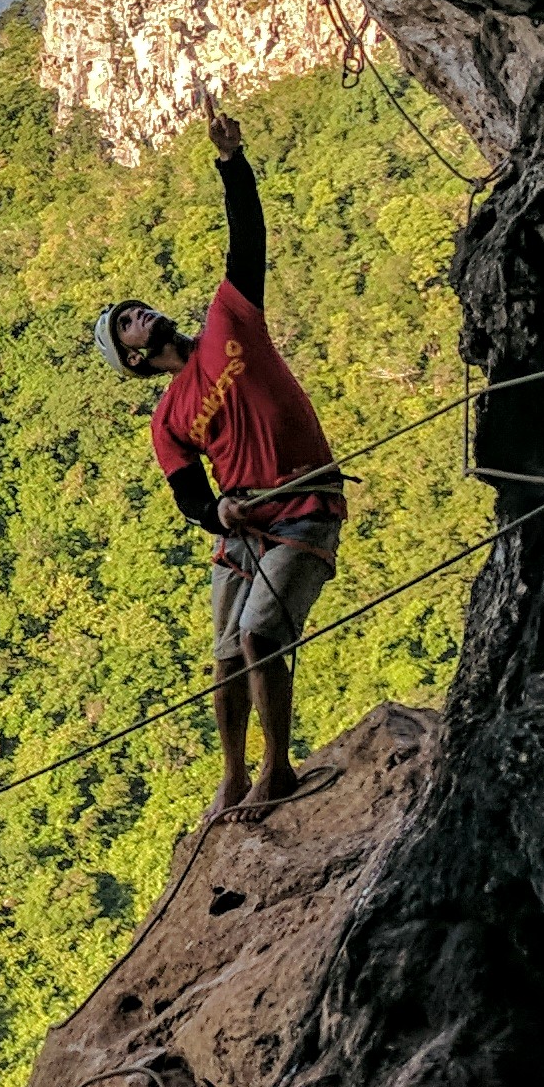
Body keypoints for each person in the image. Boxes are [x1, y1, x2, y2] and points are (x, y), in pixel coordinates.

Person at [91, 100, 345, 819]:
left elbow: (248, 241)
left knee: (261, 633)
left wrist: (232, 163)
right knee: (226, 656)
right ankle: (233, 777)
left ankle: (277, 771)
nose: (141, 313)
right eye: (128, 321)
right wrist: (216, 512)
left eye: (136, 308)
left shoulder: (230, 324)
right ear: (134, 357)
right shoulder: (168, 420)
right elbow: (190, 497)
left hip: (304, 505)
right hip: (245, 527)